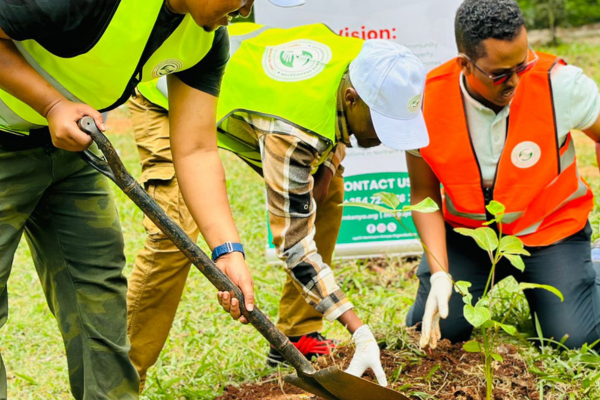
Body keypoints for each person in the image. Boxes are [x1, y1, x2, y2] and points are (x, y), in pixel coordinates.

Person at [0, 0, 286, 398]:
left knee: (98, 297)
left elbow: (197, 150)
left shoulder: (205, 40)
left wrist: (229, 251)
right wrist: (50, 104)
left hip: (71, 152)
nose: (245, 9)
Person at [130, 22, 428, 388]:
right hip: (168, 89)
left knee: (328, 192)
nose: (383, 137)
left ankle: (300, 330)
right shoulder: (293, 132)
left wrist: (329, 164)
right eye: (381, 124)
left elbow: (332, 112)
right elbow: (294, 246)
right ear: (352, 98)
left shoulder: (365, 62)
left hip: (248, 98)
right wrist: (358, 329)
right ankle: (121, 378)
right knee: (174, 231)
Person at [406, 0, 600, 350]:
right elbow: (424, 194)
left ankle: (591, 268)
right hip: (469, 237)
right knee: (434, 333)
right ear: (465, 63)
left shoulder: (561, 84)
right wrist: (438, 272)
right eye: (499, 73)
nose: (514, 81)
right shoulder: (424, 101)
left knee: (574, 340)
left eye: (522, 65)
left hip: (551, 231)